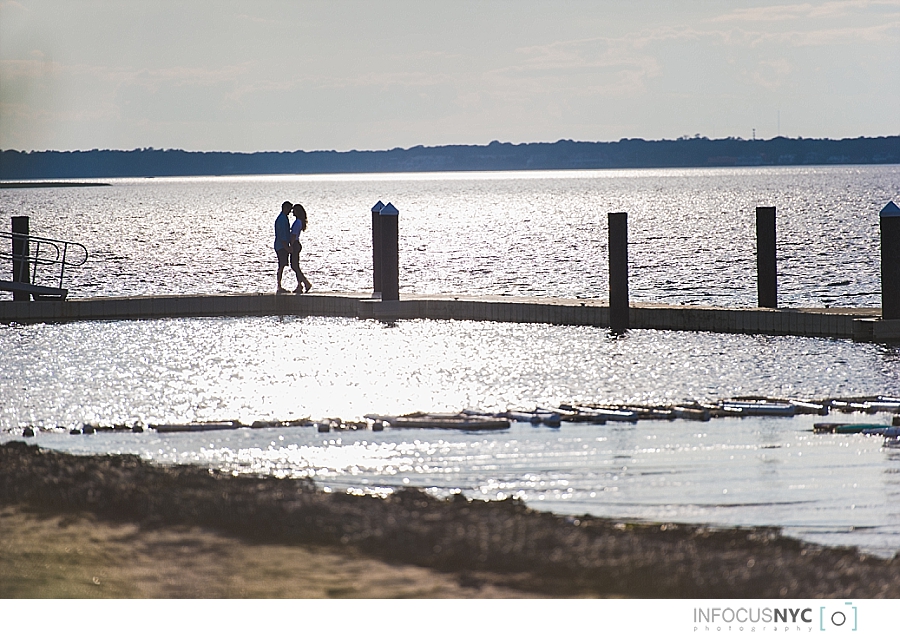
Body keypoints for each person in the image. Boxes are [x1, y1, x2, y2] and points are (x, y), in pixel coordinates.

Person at [290, 203, 312, 293]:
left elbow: (293, 235)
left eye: (294, 211)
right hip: (296, 244)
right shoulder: (299, 222)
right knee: (295, 266)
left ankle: (305, 283)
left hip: (295, 244)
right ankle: (300, 285)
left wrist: (290, 246)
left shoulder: (297, 222)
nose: (292, 212)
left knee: (294, 266)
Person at [274, 200, 292, 293]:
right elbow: (282, 235)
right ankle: (279, 286)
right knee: (281, 265)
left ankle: (279, 285)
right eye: (289, 209)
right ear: (285, 208)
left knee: (282, 265)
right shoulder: (281, 219)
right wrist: (287, 247)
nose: (290, 212)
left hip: (282, 245)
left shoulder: (284, 218)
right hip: (281, 246)